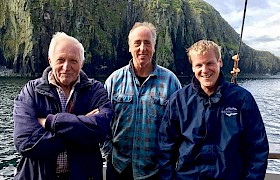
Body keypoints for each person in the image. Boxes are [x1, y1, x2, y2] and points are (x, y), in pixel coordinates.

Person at [158, 40, 269, 180]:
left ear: (220, 62)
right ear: (192, 67)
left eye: (210, 63)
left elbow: (257, 149)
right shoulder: (178, 101)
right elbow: (165, 148)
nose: (205, 70)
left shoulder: (242, 99)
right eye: (199, 65)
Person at [13, 32, 114, 180]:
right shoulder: (31, 92)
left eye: (73, 60)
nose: (66, 67)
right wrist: (81, 128)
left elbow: (101, 129)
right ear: (50, 61)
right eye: (60, 60)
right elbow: (25, 142)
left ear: (82, 63)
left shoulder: (95, 90)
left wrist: (49, 122)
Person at [101, 22, 182, 180]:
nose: (142, 48)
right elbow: (102, 122)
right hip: (118, 168)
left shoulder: (171, 82)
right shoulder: (113, 81)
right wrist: (108, 153)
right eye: (137, 43)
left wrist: (169, 159)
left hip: (156, 171)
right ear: (130, 47)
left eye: (147, 43)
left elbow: (179, 126)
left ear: (154, 46)